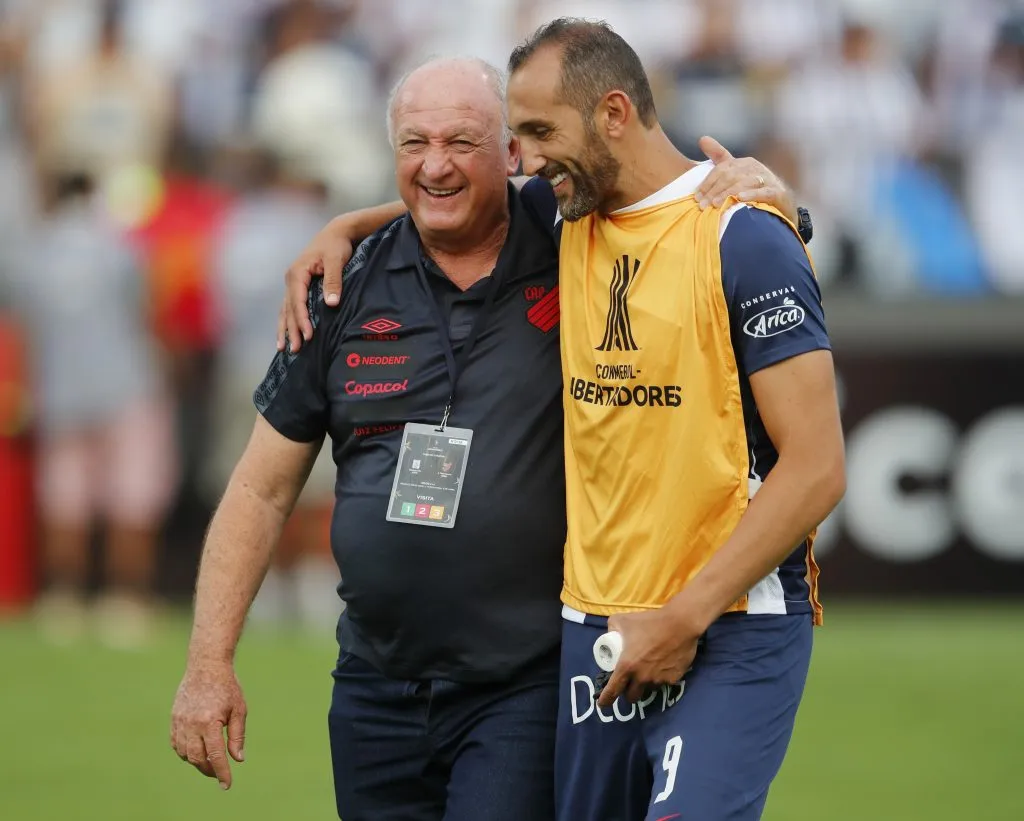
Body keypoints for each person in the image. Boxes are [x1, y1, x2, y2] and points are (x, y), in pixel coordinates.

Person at [178, 53, 797, 821]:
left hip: (523, 685)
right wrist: (208, 663)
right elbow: (260, 487)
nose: (435, 164)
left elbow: (669, 208)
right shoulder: (339, 284)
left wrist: (772, 203)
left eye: (461, 142)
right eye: (414, 143)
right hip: (373, 686)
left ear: (513, 155)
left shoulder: (572, 236)